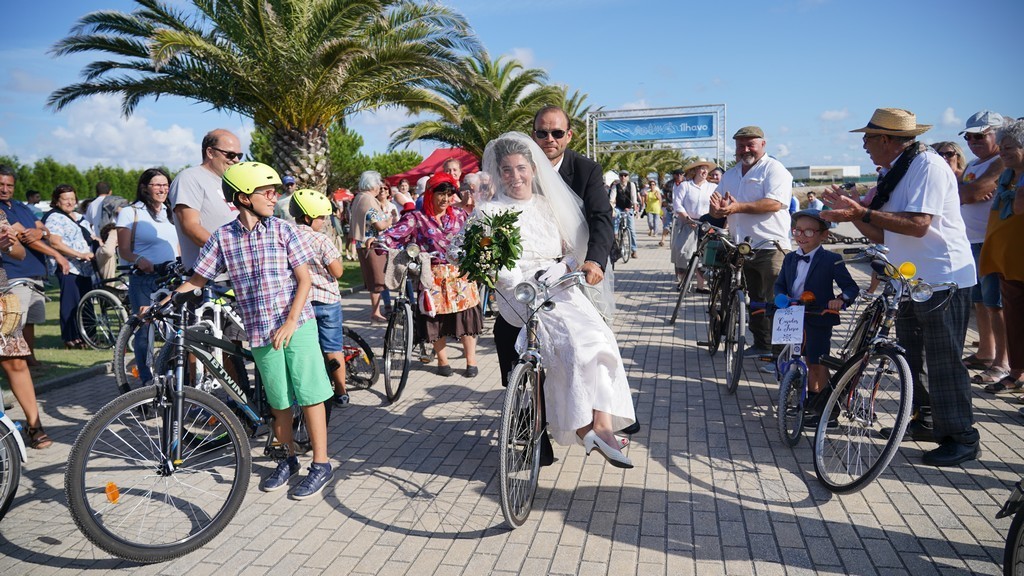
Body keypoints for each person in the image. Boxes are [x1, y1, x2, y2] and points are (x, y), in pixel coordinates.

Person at [821, 108, 979, 466]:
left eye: (868, 138)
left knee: (943, 361)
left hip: (942, 278)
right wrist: (854, 215)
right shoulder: (897, 170)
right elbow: (884, 230)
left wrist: (859, 213)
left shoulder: (928, 166)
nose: (864, 145)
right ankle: (927, 420)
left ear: (887, 140)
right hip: (909, 279)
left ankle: (963, 437)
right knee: (912, 357)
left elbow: (919, 224)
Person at [169, 162, 334, 499]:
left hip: (297, 325)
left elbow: (304, 280)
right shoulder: (223, 238)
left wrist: (290, 322)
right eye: (267, 192)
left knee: (310, 393)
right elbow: (198, 280)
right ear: (244, 198)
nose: (275, 198)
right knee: (279, 400)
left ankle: (321, 463)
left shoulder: (284, 231)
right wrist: (163, 302)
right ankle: (288, 459)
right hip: (259, 332)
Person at [479, 132, 635, 468]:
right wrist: (512, 275)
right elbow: (484, 255)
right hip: (518, 290)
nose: (515, 176)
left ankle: (603, 427)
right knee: (570, 348)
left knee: (599, 337)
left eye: (521, 168)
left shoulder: (548, 206)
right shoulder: (489, 212)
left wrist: (563, 265)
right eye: (507, 170)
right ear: (499, 173)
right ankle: (582, 428)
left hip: (556, 284)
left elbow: (569, 249)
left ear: (533, 170)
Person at [374, 172, 481, 377]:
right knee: (435, 320)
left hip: (461, 275)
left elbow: (476, 236)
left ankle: (471, 361)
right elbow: (394, 233)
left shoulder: (460, 215)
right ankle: (443, 361)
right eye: (441, 193)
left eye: (449, 194)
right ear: (430, 194)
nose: (445, 198)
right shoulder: (417, 218)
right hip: (432, 275)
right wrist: (380, 241)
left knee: (467, 317)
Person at [710, 126, 793, 359]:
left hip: (771, 246)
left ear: (763, 145)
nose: (745, 149)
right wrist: (716, 211)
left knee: (776, 301)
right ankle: (762, 344)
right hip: (742, 247)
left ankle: (781, 354)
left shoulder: (775, 170)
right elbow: (718, 208)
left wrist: (737, 207)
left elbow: (774, 203)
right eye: (740, 145)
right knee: (755, 300)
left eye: (750, 145)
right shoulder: (731, 174)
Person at [772, 209, 859, 423]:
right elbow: (780, 283)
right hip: (793, 315)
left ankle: (825, 410)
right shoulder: (790, 258)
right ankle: (801, 397)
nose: (801, 236)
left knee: (816, 362)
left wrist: (841, 299)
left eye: (809, 232)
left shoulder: (831, 259)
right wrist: (780, 296)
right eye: (797, 230)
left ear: (823, 235)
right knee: (795, 356)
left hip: (818, 315)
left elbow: (851, 287)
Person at [531, 105, 614, 287]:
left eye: (557, 133)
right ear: (533, 136)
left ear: (569, 136)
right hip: (530, 266)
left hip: (577, 264)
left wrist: (595, 261)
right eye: (542, 133)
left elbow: (601, 216)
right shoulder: (520, 168)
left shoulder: (587, 170)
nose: (550, 139)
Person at [957, 111, 1009, 387]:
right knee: (980, 301)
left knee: (996, 304)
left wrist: (971, 192)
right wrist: (969, 191)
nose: (973, 141)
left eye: (980, 135)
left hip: (993, 242)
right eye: (969, 136)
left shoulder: (1001, 161)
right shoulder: (975, 164)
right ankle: (986, 351)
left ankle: (1004, 361)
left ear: (998, 136)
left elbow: (970, 194)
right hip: (972, 242)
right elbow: (967, 192)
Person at [0, 165, 70, 366]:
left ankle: (30, 360)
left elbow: (41, 230)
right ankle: (16, 363)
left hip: (34, 272)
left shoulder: (19, 206)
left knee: (30, 320)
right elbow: (24, 237)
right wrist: (58, 254)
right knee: (14, 322)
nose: (5, 189)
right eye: (1, 184)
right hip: (14, 273)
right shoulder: (2, 211)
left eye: (9, 185)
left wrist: (42, 233)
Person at [116, 168, 180, 385]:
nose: (162, 189)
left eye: (165, 184)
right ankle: (147, 380)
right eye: (157, 184)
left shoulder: (171, 211)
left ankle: (172, 377)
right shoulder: (131, 212)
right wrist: (138, 261)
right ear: (144, 187)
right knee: (145, 330)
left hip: (171, 277)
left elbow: (177, 245)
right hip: (144, 278)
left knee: (176, 330)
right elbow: (123, 249)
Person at [289, 189, 349, 406]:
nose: (324, 222)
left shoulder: (288, 236)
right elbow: (338, 272)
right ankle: (341, 392)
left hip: (301, 302)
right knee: (333, 347)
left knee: (307, 349)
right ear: (307, 217)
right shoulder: (321, 240)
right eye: (321, 217)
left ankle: (308, 392)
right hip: (327, 301)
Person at [0, 209, 52, 448]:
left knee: (16, 362)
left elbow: (19, 253)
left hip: (1, 299)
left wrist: (7, 246)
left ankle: (35, 426)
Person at [979, 119, 1024, 395]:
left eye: (1009, 147)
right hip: (1007, 262)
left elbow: (1018, 208)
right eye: (1002, 147)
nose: (1003, 152)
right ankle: (1017, 373)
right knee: (1015, 321)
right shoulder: (1008, 177)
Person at [169, 129, 242, 271]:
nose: (236, 160)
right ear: (210, 152)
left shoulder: (232, 183)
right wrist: (230, 254)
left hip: (235, 275)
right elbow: (190, 227)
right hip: (208, 281)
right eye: (231, 154)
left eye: (239, 155)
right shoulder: (189, 178)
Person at [41, 184, 96, 349]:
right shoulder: (54, 218)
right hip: (68, 266)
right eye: (65, 199)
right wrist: (79, 254)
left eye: (72, 198)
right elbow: (55, 243)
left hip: (85, 268)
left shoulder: (79, 217)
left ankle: (89, 336)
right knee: (70, 303)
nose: (70, 202)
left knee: (86, 302)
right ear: (57, 201)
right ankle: (71, 337)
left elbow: (90, 237)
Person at [350, 171, 393, 322]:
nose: (379, 187)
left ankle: (376, 311)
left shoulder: (358, 198)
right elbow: (379, 225)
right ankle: (376, 313)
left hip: (362, 245)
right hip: (373, 245)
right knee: (377, 280)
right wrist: (390, 220)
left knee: (372, 280)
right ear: (373, 184)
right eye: (378, 184)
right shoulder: (368, 200)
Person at [672, 159, 717, 290]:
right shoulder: (685, 186)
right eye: (702, 168)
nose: (704, 171)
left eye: (706, 169)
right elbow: (677, 204)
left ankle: (701, 286)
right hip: (687, 223)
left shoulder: (712, 187)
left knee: (703, 255)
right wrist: (687, 218)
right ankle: (684, 283)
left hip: (706, 224)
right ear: (696, 170)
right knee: (684, 253)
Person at [611, 170, 638, 259]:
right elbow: (612, 199)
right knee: (615, 220)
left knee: (631, 229)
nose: (623, 177)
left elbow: (634, 198)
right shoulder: (616, 186)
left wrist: (634, 209)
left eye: (625, 175)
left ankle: (634, 250)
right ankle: (615, 241)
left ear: (628, 177)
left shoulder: (632, 185)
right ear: (619, 177)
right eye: (621, 175)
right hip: (619, 207)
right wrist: (612, 209)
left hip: (628, 208)